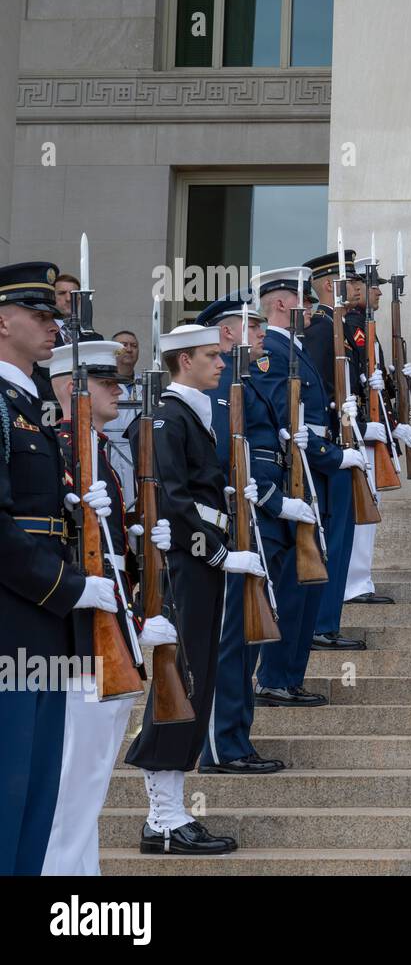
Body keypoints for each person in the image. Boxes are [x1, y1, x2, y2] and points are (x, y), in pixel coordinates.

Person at [123, 323, 261, 855]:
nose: (221, 363)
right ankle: (162, 817)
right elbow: (174, 505)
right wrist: (224, 554)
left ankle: (170, 813)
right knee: (177, 683)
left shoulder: (192, 415)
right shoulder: (167, 418)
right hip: (182, 569)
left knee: (195, 682)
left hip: (198, 567)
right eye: (211, 355)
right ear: (183, 361)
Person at [0, 262, 117, 875]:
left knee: (39, 795)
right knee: (8, 788)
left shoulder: (33, 398)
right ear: (2, 320)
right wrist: (71, 587)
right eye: (40, 316)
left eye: (54, 316)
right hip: (16, 619)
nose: (53, 327)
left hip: (47, 622)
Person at [40, 338, 173, 875]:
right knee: (73, 776)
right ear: (72, 388)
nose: (118, 389)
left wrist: (144, 544)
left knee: (91, 777)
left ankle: (79, 874)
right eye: (105, 382)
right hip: (76, 637)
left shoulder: (98, 451)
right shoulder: (63, 449)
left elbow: (113, 550)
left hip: (111, 628)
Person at [195, 295, 298, 773]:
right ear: (227, 332)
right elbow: (225, 461)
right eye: (252, 325)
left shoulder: (245, 382)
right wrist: (274, 500)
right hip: (237, 525)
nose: (261, 333)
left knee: (249, 637)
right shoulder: (222, 390)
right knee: (233, 640)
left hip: (257, 525)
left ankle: (237, 739)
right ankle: (220, 745)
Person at [255, 268, 368, 706]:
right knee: (293, 585)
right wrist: (334, 456)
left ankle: (289, 676)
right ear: (282, 304)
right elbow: (287, 423)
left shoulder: (294, 349)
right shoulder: (273, 354)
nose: (313, 306)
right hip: (297, 474)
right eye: (303, 298)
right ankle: (276, 676)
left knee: (307, 583)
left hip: (311, 471)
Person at [343, 257, 411, 604]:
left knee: (371, 508)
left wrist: (394, 380)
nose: (377, 293)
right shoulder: (352, 326)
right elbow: (353, 386)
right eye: (373, 286)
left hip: (375, 430)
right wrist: (374, 426)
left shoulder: (364, 327)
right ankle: (354, 583)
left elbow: (375, 385)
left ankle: (361, 579)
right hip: (362, 432)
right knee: (364, 508)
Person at [301, 250, 366, 650]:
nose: (354, 290)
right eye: (348, 283)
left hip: (344, 439)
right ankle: (323, 623)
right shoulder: (323, 330)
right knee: (334, 538)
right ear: (329, 286)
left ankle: (329, 620)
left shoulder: (336, 326)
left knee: (342, 537)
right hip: (330, 446)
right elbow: (317, 393)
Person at [101, 329, 140, 511]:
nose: (129, 349)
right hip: (111, 455)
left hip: (140, 459)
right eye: (124, 345)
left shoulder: (146, 383)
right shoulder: (102, 384)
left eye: (134, 345)